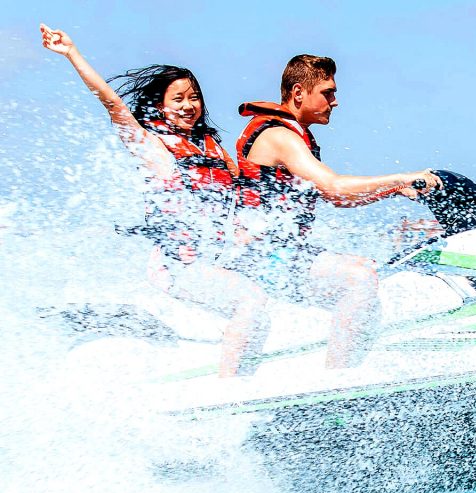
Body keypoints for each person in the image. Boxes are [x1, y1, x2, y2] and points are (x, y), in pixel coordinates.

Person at [40, 24, 269, 377]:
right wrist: (72, 53)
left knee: (262, 295)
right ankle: (231, 389)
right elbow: (111, 101)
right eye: (177, 99)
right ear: (159, 106)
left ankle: (239, 364)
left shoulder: (213, 149)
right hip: (178, 265)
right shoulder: (153, 147)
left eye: (193, 97)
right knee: (250, 301)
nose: (188, 105)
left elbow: (245, 198)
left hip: (218, 258)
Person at [234, 54, 442, 368]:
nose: (335, 101)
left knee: (366, 270)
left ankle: (349, 366)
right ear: (299, 93)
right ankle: (336, 381)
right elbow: (335, 187)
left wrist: (394, 190)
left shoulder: (295, 136)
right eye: (327, 93)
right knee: (358, 278)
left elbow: (340, 200)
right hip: (261, 260)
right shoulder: (279, 137)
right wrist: (400, 177)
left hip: (282, 256)